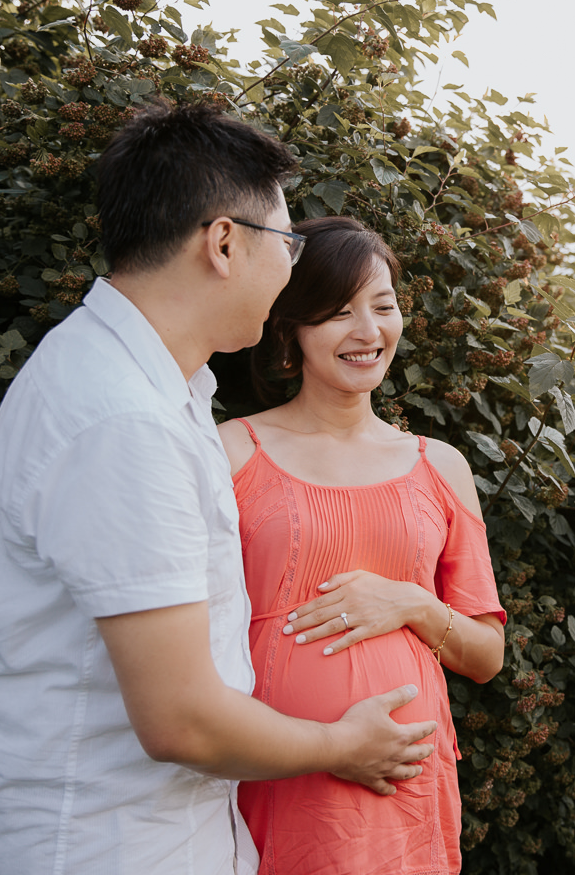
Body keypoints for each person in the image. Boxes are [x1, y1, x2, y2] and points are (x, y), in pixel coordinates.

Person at [0, 102, 437, 875]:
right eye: (289, 241)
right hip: (99, 851)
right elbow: (182, 723)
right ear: (225, 243)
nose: (294, 265)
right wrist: (345, 744)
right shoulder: (122, 417)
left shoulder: (149, 383)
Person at [217, 216, 506, 875]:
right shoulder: (231, 453)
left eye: (383, 307)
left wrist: (411, 603)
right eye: (339, 312)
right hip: (275, 776)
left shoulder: (441, 466)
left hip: (404, 786)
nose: (368, 331)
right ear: (292, 326)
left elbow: (487, 655)